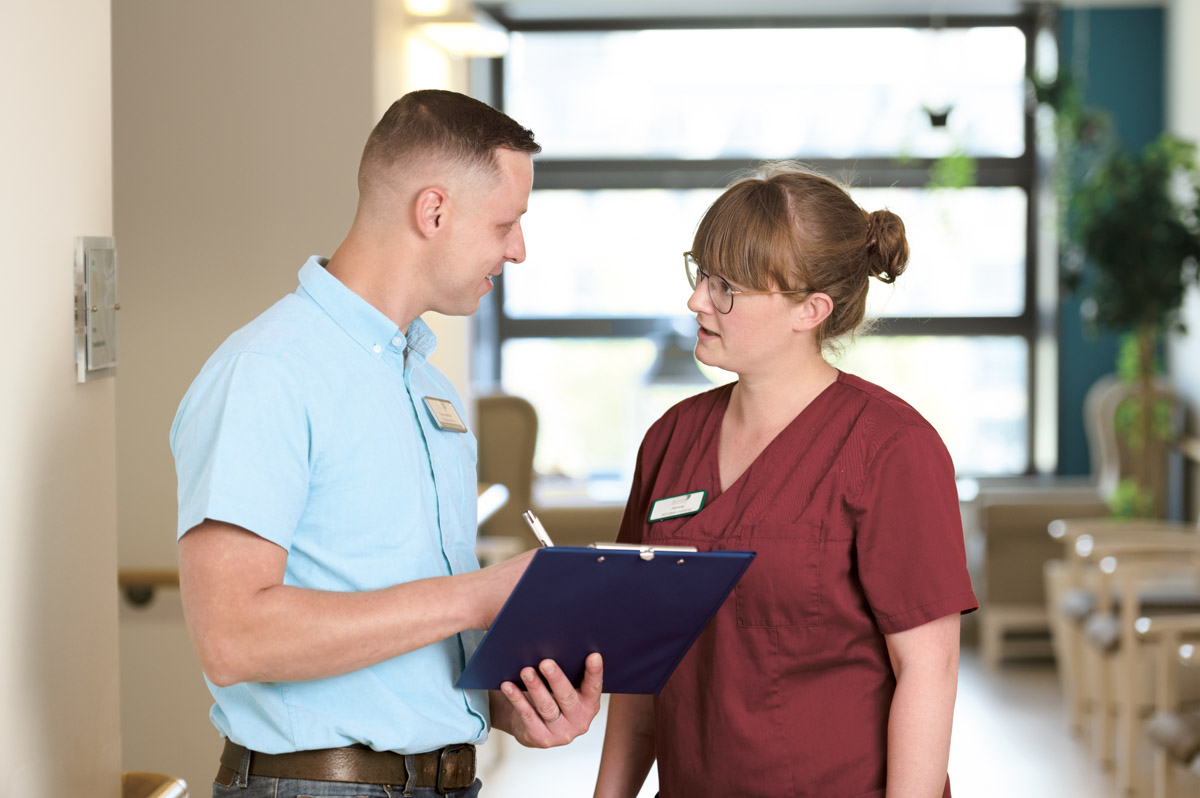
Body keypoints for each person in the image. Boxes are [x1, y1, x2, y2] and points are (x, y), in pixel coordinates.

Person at [170, 89, 602, 798]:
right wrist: (479, 598)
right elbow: (234, 636)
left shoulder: (427, 384)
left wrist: (514, 705)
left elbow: (402, 650)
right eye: (507, 222)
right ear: (434, 212)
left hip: (446, 780)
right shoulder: (266, 373)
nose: (519, 249)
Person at [593, 163, 978, 798]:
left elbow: (928, 672)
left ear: (811, 310)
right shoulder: (669, 441)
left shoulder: (893, 449)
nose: (696, 301)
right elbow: (639, 664)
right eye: (699, 275)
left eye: (726, 288)